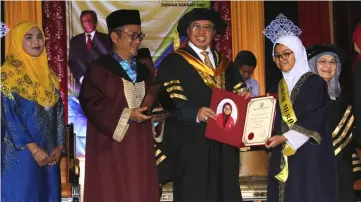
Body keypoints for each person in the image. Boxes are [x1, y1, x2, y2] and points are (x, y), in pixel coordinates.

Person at [156, 8, 249, 202]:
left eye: (207, 27)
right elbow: (170, 100)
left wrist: (245, 97)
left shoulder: (226, 64)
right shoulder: (174, 62)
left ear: (215, 33)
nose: (201, 32)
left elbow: (239, 91)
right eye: (196, 27)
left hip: (224, 142)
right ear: (188, 31)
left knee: (225, 192)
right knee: (195, 193)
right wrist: (196, 113)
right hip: (192, 141)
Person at [79, 10, 159, 202]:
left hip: (141, 145)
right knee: (113, 192)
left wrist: (157, 112)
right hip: (111, 147)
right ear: (115, 37)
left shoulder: (144, 71)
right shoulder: (100, 69)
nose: (138, 40)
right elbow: (91, 103)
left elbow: (153, 99)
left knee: (141, 190)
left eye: (140, 35)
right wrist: (127, 115)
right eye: (133, 35)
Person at [263, 15, 337, 202]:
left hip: (309, 157)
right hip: (284, 153)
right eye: (277, 55)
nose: (281, 59)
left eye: (286, 54)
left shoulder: (314, 82)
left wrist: (286, 137)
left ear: (297, 52)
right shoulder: (280, 86)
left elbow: (315, 117)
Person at [1, 21, 65, 201]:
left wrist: (59, 146)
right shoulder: (7, 76)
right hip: (21, 152)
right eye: (28, 38)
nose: (36, 42)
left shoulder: (49, 76)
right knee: (23, 194)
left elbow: (58, 113)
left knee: (47, 195)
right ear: (17, 42)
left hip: (49, 153)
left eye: (39, 37)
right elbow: (9, 116)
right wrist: (34, 149)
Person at [307, 44, 361, 202]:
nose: (328, 66)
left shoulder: (344, 102)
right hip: (312, 167)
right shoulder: (303, 100)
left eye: (332, 62)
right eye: (322, 61)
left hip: (340, 169)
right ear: (312, 65)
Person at [68, 10, 112, 92]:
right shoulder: (75, 41)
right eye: (84, 21)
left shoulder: (106, 39)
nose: (86, 23)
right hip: (80, 86)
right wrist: (81, 78)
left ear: (96, 22)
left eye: (89, 21)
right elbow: (72, 62)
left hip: (102, 85)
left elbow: (109, 61)